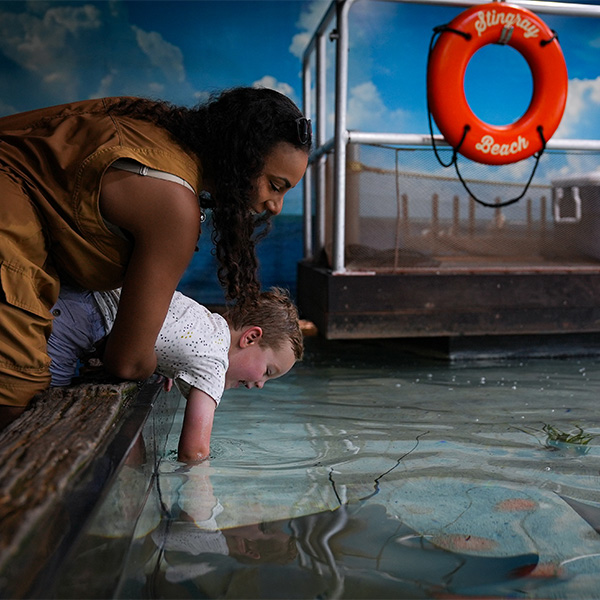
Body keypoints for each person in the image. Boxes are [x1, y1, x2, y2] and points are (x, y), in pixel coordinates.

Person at [0, 88, 311, 420]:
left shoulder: (150, 126)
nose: (275, 207)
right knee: (20, 403)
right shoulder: (175, 204)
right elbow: (128, 360)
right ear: (241, 159)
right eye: (275, 186)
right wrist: (163, 360)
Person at [47, 285, 304, 462]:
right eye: (267, 372)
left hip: (77, 297)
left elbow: (168, 334)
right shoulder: (214, 362)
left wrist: (164, 364)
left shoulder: (204, 320)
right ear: (250, 338)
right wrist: (202, 513)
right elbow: (194, 451)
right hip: (76, 323)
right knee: (47, 405)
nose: (260, 384)